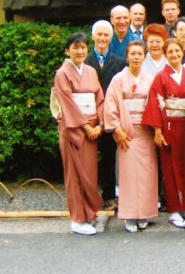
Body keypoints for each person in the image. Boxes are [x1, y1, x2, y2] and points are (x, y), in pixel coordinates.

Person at [142, 39, 185, 228]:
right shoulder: (160, 77)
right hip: (169, 128)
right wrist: (157, 131)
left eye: (177, 51)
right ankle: (174, 209)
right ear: (166, 54)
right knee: (170, 169)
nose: (174, 55)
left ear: (183, 53)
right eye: (171, 52)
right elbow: (155, 104)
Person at [104, 41, 158, 233]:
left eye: (140, 54)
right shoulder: (118, 79)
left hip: (145, 132)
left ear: (144, 56)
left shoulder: (150, 79)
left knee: (146, 174)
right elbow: (110, 105)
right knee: (128, 175)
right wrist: (117, 129)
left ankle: (144, 213)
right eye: (133, 53)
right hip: (126, 132)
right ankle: (129, 215)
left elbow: (155, 105)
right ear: (127, 56)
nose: (136, 57)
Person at [53, 32, 104, 235]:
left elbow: (99, 98)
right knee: (75, 175)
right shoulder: (62, 73)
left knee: (89, 174)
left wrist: (100, 123)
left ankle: (89, 214)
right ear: (67, 51)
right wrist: (86, 127)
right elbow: (67, 103)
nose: (80, 51)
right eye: (75, 47)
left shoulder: (91, 71)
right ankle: (77, 219)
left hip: (92, 127)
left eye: (83, 47)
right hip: (74, 129)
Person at [85, 20, 126, 211]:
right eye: (99, 34)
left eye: (106, 35)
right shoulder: (84, 62)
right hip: (88, 118)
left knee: (109, 157)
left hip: (110, 116)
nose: (102, 38)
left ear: (111, 37)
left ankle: (109, 196)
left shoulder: (119, 62)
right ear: (93, 36)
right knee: (88, 158)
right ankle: (88, 196)